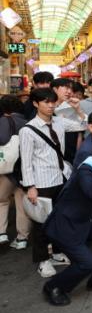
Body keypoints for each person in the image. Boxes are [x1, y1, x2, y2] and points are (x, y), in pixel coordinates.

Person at [42, 135, 92, 306]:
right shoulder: (87, 169)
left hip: (86, 221)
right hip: (66, 224)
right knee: (88, 263)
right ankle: (53, 286)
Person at [20, 88, 87, 278]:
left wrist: (78, 109)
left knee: (61, 219)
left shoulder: (59, 122)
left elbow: (84, 125)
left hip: (61, 178)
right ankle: (43, 260)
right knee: (41, 223)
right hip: (41, 182)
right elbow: (26, 161)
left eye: (53, 102)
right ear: (35, 103)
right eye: (46, 102)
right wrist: (30, 187)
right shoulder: (28, 130)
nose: (50, 106)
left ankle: (57, 253)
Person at [0, 94, 30, 250]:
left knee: (2, 200)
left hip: (7, 170)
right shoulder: (28, 122)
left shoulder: (3, 121)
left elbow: (2, 140)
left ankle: (1, 233)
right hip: (24, 169)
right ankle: (22, 238)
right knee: (22, 203)